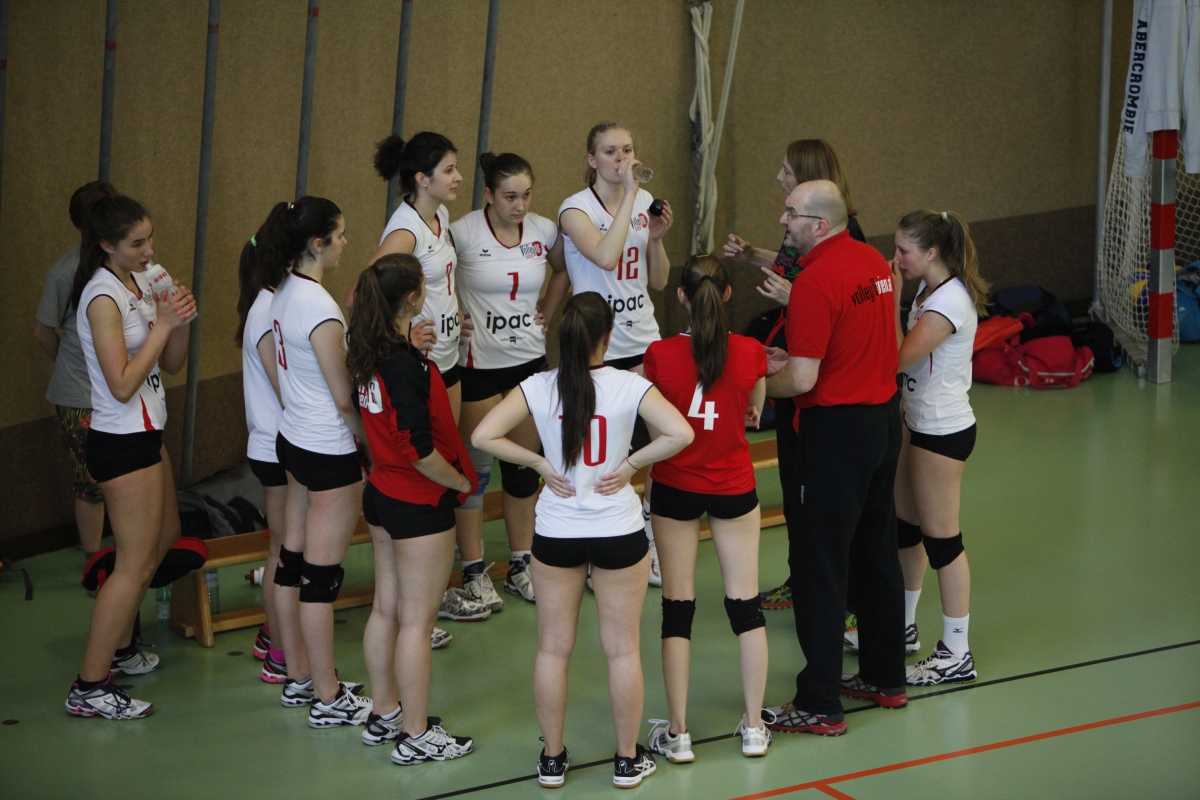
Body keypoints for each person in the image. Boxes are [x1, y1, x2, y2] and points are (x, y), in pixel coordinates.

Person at [471, 292, 692, 789]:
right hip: (618, 530)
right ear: (607, 337)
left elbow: (483, 435)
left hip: (557, 532)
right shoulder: (629, 384)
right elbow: (681, 433)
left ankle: (551, 759)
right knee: (622, 650)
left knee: (553, 649)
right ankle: (626, 760)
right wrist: (631, 465)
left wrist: (538, 463)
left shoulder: (539, 385)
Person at [763, 180, 906, 736]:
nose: (783, 221)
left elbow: (802, 378)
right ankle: (885, 676)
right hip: (882, 423)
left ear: (818, 225)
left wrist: (754, 385)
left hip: (834, 433)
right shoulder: (872, 262)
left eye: (791, 214)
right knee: (876, 551)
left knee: (819, 565)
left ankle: (819, 702)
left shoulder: (814, 281)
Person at [66, 195, 197, 719]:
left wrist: (179, 321)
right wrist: (161, 324)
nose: (149, 250)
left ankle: (119, 645)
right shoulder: (101, 296)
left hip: (148, 433)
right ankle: (90, 685)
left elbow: (173, 364)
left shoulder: (143, 280)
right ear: (106, 245)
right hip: (120, 439)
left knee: (165, 536)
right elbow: (121, 384)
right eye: (136, 243)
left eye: (150, 238)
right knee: (134, 564)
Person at [723, 138, 864, 612]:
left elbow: (831, 297)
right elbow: (793, 266)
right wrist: (753, 256)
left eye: (786, 170)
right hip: (792, 360)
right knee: (793, 486)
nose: (779, 178)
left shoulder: (846, 237)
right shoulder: (799, 224)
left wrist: (795, 298)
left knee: (819, 498)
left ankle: (834, 597)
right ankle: (800, 578)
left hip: (820, 382)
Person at [348, 254, 477, 764]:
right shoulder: (402, 365)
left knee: (387, 608)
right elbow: (418, 449)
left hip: (381, 492)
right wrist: (460, 481)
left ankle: (384, 713)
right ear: (413, 297)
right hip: (416, 502)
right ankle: (417, 734)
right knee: (417, 624)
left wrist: (411, 350)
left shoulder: (370, 352)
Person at [642, 255, 771, 760]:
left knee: (678, 608)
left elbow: (656, 431)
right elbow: (756, 399)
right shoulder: (750, 351)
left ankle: (678, 734)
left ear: (681, 297)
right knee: (746, 605)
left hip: (675, 488)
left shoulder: (659, 355)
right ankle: (755, 727)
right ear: (728, 294)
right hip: (733, 486)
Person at [371, 132, 491, 626]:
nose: (459, 177)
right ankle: (417, 609)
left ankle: (440, 589)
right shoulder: (404, 231)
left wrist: (450, 316)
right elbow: (368, 293)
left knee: (449, 462)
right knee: (426, 470)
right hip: (420, 368)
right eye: (449, 170)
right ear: (422, 178)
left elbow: (436, 284)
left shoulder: (438, 215)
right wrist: (402, 338)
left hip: (447, 360)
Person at [264, 196, 371, 727]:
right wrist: (370, 448)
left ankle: (298, 676)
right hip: (327, 449)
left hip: (292, 439)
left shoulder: (281, 292)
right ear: (317, 243)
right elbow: (344, 398)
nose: (346, 243)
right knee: (321, 578)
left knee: (292, 557)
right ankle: (327, 697)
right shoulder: (322, 309)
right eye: (340, 235)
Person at [450, 151, 569, 609]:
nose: (520, 206)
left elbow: (562, 268)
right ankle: (474, 570)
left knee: (522, 472)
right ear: (488, 195)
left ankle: (522, 564)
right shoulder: (463, 232)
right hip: (478, 367)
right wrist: (450, 314)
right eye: (509, 197)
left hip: (528, 365)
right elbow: (432, 277)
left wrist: (549, 309)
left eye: (526, 195)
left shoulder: (542, 230)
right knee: (475, 475)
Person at [558, 121, 674, 587]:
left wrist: (657, 238)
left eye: (627, 149)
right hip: (595, 348)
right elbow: (605, 257)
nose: (621, 159)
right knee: (600, 452)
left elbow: (659, 280)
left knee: (655, 446)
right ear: (592, 159)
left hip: (643, 340)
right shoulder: (575, 209)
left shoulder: (643, 202)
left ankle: (647, 536)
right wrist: (629, 197)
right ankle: (593, 547)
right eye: (610, 151)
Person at [890, 210, 987, 686]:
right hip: (916, 421)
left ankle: (956, 652)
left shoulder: (948, 302)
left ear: (931, 253)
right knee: (906, 528)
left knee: (943, 541)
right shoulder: (929, 290)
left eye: (903, 251)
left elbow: (896, 356)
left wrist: (890, 301)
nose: (896, 259)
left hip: (942, 431)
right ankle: (902, 626)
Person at [34, 181, 120, 561]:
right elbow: (42, 330)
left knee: (118, 477)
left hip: (122, 391)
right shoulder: (66, 270)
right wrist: (72, 367)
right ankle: (94, 560)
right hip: (79, 396)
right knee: (90, 482)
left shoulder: (125, 265)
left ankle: (119, 554)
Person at [234, 225, 305, 686]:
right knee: (283, 552)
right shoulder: (266, 312)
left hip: (277, 444)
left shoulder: (266, 305)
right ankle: (281, 656)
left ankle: (271, 634)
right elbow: (285, 389)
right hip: (276, 447)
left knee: (283, 548)